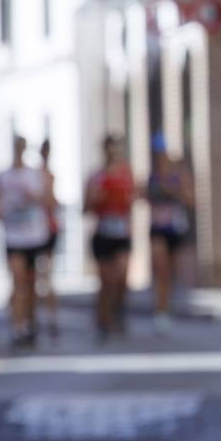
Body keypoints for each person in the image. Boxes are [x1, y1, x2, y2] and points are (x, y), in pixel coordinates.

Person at [0, 136, 53, 348]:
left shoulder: (36, 175)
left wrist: (35, 198)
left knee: (33, 285)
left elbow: (50, 201)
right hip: (14, 236)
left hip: (35, 236)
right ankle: (18, 327)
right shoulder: (2, 176)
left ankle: (31, 322)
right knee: (18, 283)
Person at [85, 134, 135, 339]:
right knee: (106, 280)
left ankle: (118, 311)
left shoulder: (126, 174)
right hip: (103, 234)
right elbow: (86, 208)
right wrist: (96, 198)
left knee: (122, 277)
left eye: (117, 149)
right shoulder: (95, 177)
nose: (113, 153)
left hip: (122, 233)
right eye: (109, 149)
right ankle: (103, 319)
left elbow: (132, 201)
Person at [144, 131, 194, 334]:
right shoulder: (152, 176)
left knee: (170, 272)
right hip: (157, 228)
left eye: (162, 152)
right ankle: (160, 311)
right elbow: (146, 199)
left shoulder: (179, 174)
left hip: (175, 227)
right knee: (161, 269)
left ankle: (166, 308)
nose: (160, 156)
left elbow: (191, 200)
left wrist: (175, 190)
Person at [35, 138, 61, 339]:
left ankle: (51, 318)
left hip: (48, 230)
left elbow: (52, 203)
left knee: (46, 276)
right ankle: (32, 317)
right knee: (33, 277)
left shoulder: (49, 175)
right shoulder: (35, 175)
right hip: (33, 231)